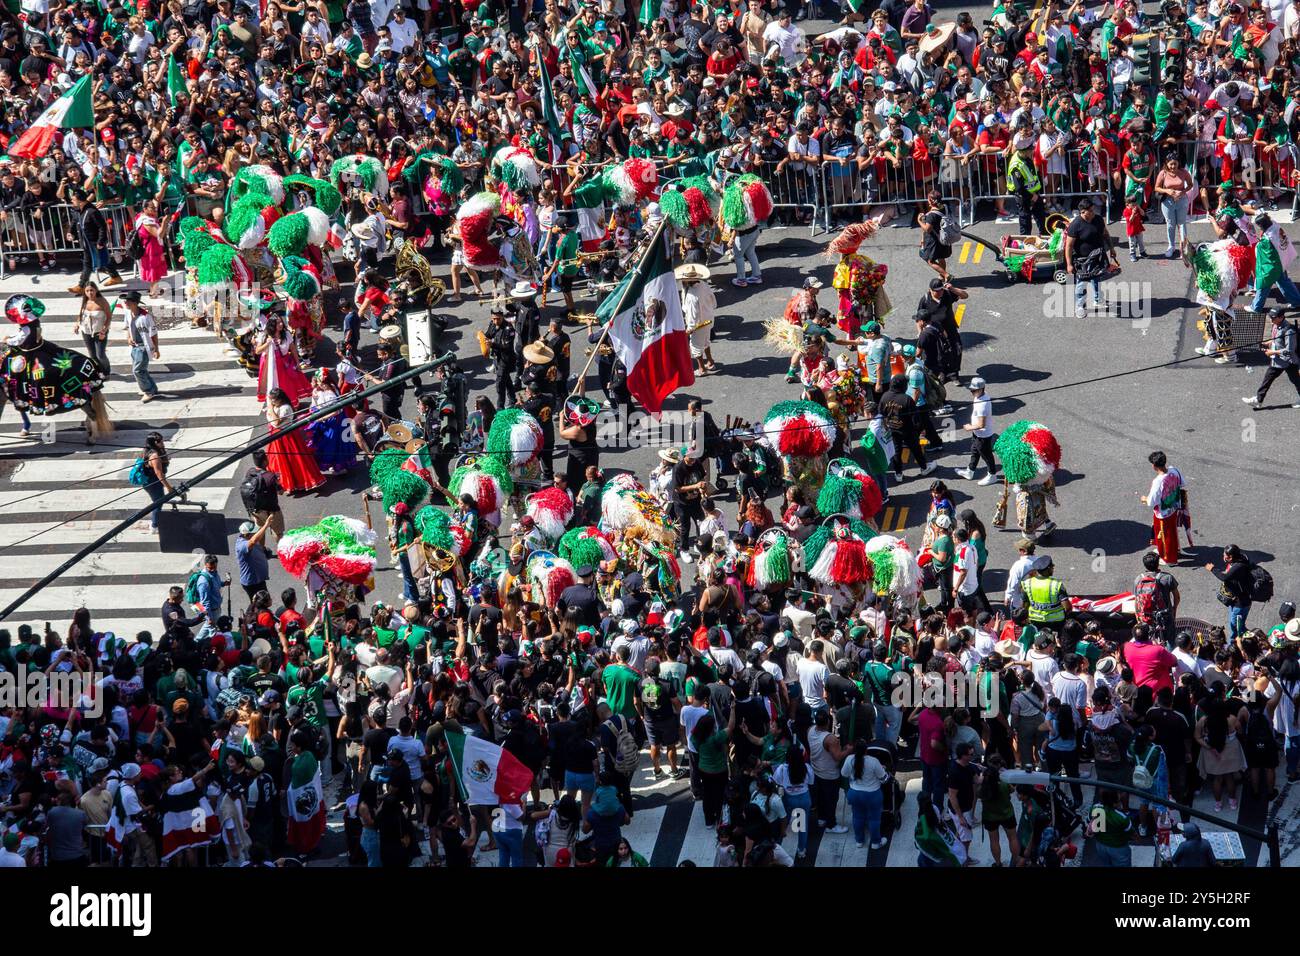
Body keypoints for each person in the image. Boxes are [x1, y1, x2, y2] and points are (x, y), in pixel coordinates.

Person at [1064, 197, 1119, 318]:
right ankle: (1080, 306)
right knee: (1081, 284)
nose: (1093, 213)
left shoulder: (1098, 219)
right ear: (1083, 212)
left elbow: (1105, 233)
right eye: (1091, 211)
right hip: (1082, 260)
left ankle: (1098, 299)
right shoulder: (1075, 225)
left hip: (1098, 257)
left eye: (1093, 210)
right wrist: (1069, 264)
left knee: (1096, 278)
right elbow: (1068, 246)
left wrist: (1112, 248)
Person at [264, 387, 325, 495]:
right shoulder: (276, 406)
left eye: (274, 400)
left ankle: (300, 481)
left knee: (293, 461)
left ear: (280, 399)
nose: (272, 402)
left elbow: (276, 422)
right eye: (271, 399)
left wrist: (270, 408)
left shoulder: (285, 408)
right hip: (277, 437)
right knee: (278, 461)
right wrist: (271, 408)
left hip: (286, 437)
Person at [1243, 308, 1300, 410]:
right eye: (1270, 316)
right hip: (1277, 361)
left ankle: (1258, 400)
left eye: (1273, 318)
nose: (1270, 319)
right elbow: (1277, 340)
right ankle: (1258, 400)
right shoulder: (1275, 325)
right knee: (1267, 380)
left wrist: (1272, 352)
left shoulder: (1289, 331)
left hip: (1289, 362)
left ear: (1281, 317)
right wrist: (1268, 343)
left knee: (1296, 381)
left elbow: (1290, 350)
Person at [68, 189, 123, 294]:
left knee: (91, 263)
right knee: (102, 261)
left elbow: (102, 227)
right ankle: (115, 277)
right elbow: (75, 222)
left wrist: (101, 242)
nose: (72, 201)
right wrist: (71, 232)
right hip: (86, 243)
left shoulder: (92, 211)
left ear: (80, 200)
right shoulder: (78, 210)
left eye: (73, 200)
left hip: (94, 243)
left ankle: (81, 285)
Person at [840, 736, 890, 850]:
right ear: (866, 750)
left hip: (854, 793)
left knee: (857, 817)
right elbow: (884, 779)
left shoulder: (849, 759)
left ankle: (859, 840)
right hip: (873, 795)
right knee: (874, 819)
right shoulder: (874, 761)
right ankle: (876, 842)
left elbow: (844, 774)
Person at [1140, 451, 1187, 567]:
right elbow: (1183, 483)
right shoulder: (1174, 470)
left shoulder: (1158, 481)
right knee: (1172, 532)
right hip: (1174, 508)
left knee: (1164, 536)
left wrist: (1145, 498)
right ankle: (1175, 550)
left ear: (1154, 465)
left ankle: (1168, 558)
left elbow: (1151, 502)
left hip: (1163, 513)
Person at [954, 377, 999, 484]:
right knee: (974, 451)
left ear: (981, 389)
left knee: (986, 455)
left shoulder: (982, 405)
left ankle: (992, 475)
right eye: (971, 390)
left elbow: (981, 424)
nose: (972, 392)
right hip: (978, 434)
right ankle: (970, 471)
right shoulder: (982, 396)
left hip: (983, 435)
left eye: (974, 390)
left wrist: (969, 427)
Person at [120, 291, 160, 403]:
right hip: (134, 347)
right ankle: (152, 388)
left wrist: (156, 349)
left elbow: (154, 334)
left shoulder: (146, 317)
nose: (125, 302)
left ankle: (148, 391)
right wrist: (128, 338)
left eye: (128, 300)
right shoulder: (128, 313)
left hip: (143, 348)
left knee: (137, 371)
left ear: (135, 303)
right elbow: (128, 327)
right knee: (142, 370)